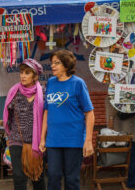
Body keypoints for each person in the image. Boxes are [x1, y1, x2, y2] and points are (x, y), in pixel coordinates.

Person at [39, 50, 95, 190]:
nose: (53, 66)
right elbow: (47, 111)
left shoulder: (78, 83)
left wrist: (88, 141)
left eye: (57, 63)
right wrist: (42, 138)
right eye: (52, 63)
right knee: (53, 175)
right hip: (53, 140)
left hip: (73, 140)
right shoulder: (51, 83)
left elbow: (89, 112)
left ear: (66, 64)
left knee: (71, 179)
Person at [3, 59, 46, 190]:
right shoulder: (14, 92)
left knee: (37, 177)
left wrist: (43, 139)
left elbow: (47, 117)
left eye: (27, 73)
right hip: (17, 140)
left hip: (37, 143)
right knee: (19, 177)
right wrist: (9, 137)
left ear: (35, 76)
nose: (23, 75)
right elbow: (8, 116)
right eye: (21, 72)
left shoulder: (43, 93)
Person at [105, 96, 135, 190]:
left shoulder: (112, 95)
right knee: (131, 157)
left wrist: (110, 127)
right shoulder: (134, 93)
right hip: (130, 129)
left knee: (130, 157)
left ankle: (130, 184)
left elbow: (111, 116)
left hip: (125, 129)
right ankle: (130, 183)